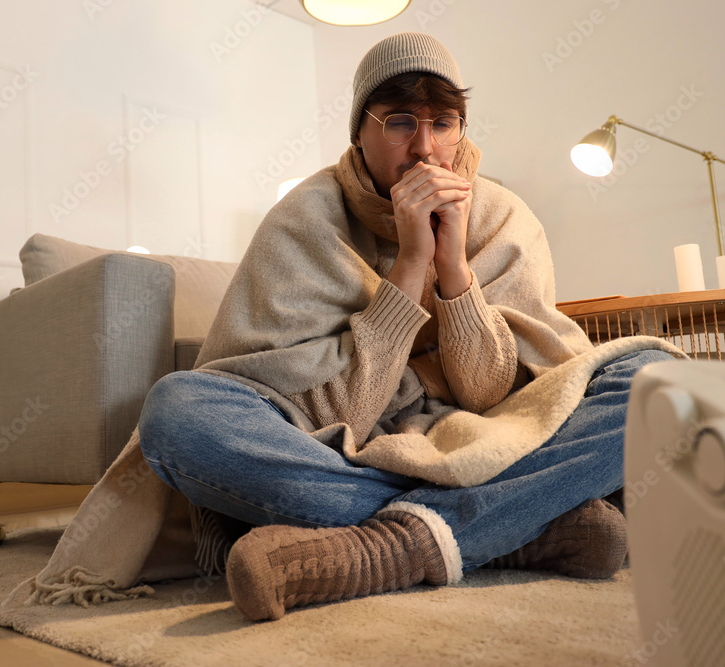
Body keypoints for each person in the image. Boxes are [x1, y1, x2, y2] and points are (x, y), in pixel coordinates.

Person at [135, 32, 678, 622]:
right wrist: (410, 263)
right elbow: (338, 415)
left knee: (656, 377)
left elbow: (489, 393)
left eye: (444, 123)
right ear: (359, 132)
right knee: (177, 412)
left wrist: (452, 265)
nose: (424, 149)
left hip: (484, 434)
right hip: (343, 452)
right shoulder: (306, 217)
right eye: (398, 121)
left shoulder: (502, 217)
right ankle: (514, 526)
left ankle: (388, 548)